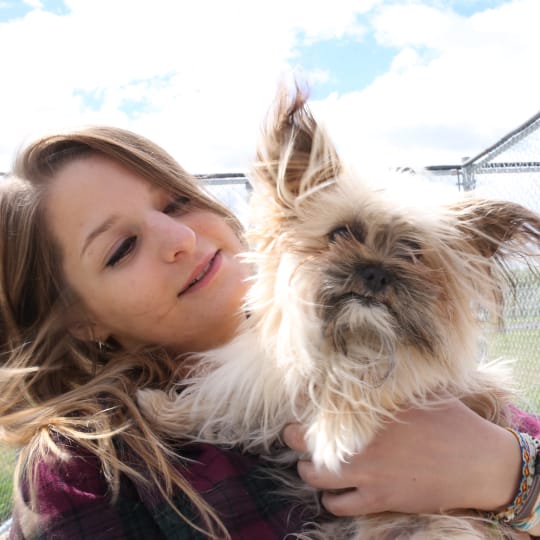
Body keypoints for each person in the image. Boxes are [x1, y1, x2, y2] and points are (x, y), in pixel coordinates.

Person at [0, 126, 538, 540]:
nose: (179, 237)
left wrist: (508, 474)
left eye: (176, 202)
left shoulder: (452, 398)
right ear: (81, 320)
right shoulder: (87, 469)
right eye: (121, 249)